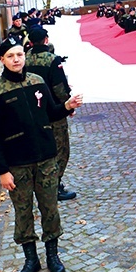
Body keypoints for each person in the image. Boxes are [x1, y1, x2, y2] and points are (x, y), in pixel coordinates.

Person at [0, 37, 83, 272]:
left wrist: (67, 106)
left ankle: (52, 256)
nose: (16, 59)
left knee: (50, 208)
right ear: (1, 60)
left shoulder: (37, 82)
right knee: (23, 211)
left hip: (46, 160)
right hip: (18, 165)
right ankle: (31, 259)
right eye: (10, 56)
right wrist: (2, 171)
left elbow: (52, 112)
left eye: (19, 54)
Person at [25, 27, 77, 202]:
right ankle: (53, 187)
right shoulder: (52, 60)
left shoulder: (24, 59)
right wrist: (68, 106)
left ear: (30, 42)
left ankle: (39, 184)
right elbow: (60, 89)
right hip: (53, 112)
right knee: (60, 150)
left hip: (30, 112)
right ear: (46, 40)